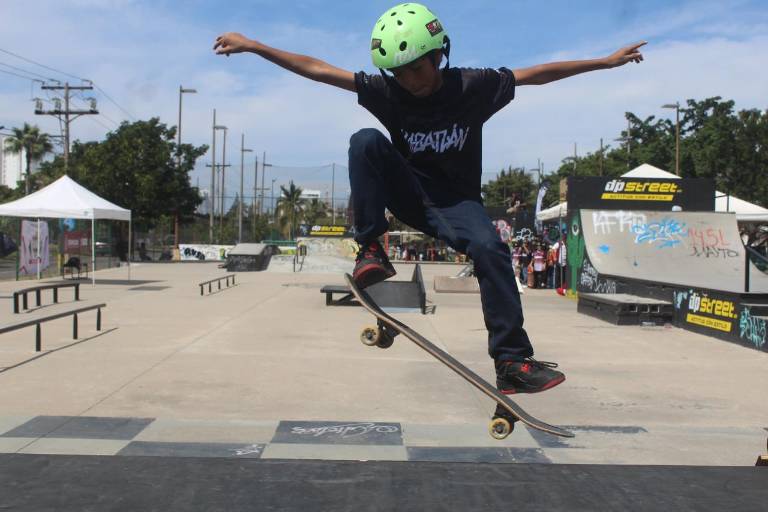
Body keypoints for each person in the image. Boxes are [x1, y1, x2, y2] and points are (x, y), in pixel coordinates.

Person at [214, 3, 645, 394]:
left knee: (491, 250)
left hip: (459, 205)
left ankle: (512, 361)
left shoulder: (473, 86)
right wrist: (254, 46)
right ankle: (370, 249)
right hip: (409, 195)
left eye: (416, 69)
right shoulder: (388, 92)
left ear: (438, 54)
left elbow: (537, 73)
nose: (409, 81)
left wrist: (604, 63)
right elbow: (319, 69)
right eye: (398, 73)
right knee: (365, 140)